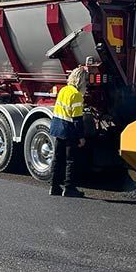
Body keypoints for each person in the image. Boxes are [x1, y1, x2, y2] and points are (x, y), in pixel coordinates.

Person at [49, 66, 88, 197]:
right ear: (82, 81)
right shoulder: (76, 95)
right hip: (68, 131)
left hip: (57, 127)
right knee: (70, 160)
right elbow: (77, 119)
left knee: (57, 158)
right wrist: (81, 137)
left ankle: (54, 187)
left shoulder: (64, 90)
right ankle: (69, 188)